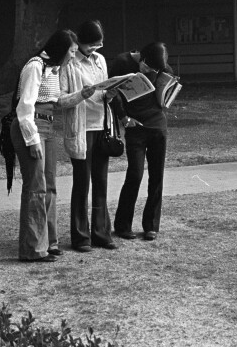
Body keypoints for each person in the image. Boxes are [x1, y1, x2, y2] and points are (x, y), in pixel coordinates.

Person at [11, 29, 94, 262]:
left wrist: (82, 95)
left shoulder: (55, 69)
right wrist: (32, 139)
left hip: (48, 126)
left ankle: (49, 242)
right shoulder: (35, 66)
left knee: (50, 186)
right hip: (32, 127)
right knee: (36, 187)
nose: (73, 56)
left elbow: (56, 103)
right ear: (61, 48)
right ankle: (33, 249)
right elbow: (24, 108)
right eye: (72, 51)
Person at [60, 20, 116, 252]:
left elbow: (104, 93)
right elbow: (61, 98)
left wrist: (110, 94)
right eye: (90, 45)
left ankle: (101, 233)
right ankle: (81, 236)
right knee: (82, 183)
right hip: (81, 128)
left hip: (100, 125)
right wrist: (81, 95)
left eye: (98, 45)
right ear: (80, 42)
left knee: (101, 182)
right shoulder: (70, 63)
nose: (94, 49)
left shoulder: (100, 60)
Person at [109, 42, 173, 242]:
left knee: (157, 176)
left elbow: (167, 96)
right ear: (141, 58)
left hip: (157, 126)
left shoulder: (163, 69)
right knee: (135, 174)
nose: (150, 72)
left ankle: (151, 225)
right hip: (135, 127)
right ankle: (123, 225)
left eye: (155, 70)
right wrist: (123, 117)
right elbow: (112, 93)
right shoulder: (123, 62)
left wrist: (167, 94)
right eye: (147, 67)